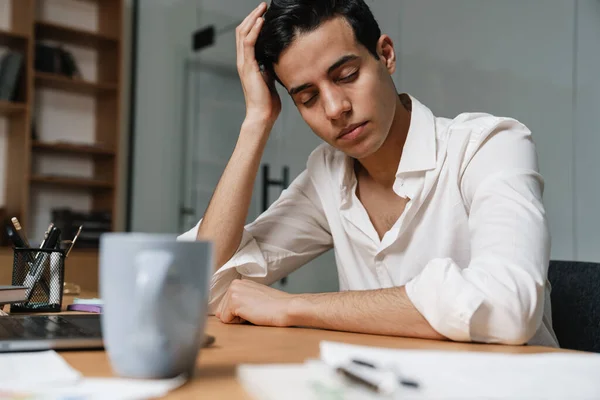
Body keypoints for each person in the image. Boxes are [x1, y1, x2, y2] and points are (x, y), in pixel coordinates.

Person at [179, 0, 558, 347]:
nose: (334, 108)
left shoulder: (489, 146)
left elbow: (508, 309)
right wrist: (256, 123)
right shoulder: (328, 176)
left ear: (386, 55)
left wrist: (296, 307)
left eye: (346, 75)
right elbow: (200, 286)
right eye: (307, 98)